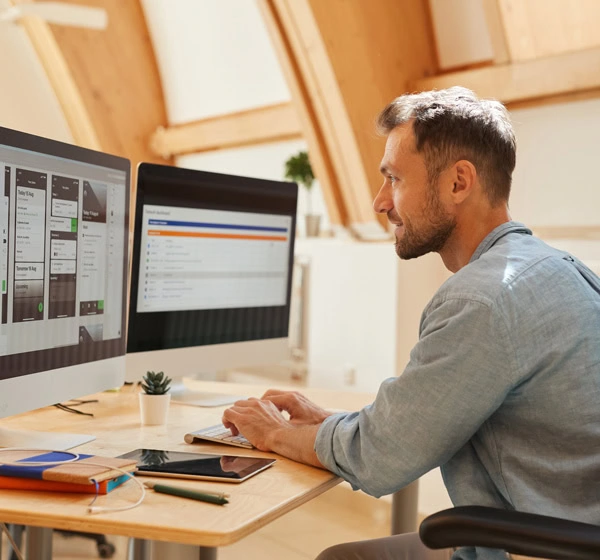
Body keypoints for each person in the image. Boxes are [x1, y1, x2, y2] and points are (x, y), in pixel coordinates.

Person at [222, 87, 600, 560]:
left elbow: (381, 456)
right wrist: (322, 419)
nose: (381, 203)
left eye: (395, 179)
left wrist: (271, 432)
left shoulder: (481, 300)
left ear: (458, 183)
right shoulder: (560, 268)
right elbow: (412, 423)